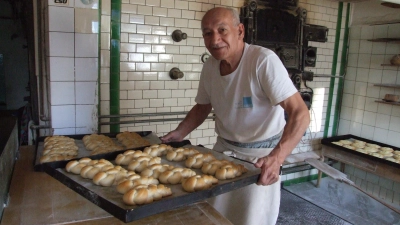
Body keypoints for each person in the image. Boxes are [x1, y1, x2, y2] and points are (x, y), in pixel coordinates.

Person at [161, 7, 310, 225]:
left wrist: (277, 159)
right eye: (208, 33)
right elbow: (202, 107)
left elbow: (300, 113)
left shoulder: (262, 61)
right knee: (214, 216)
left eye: (222, 30)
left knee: (250, 219)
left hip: (259, 161)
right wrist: (180, 133)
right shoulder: (210, 66)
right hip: (223, 155)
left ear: (240, 31)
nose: (215, 39)